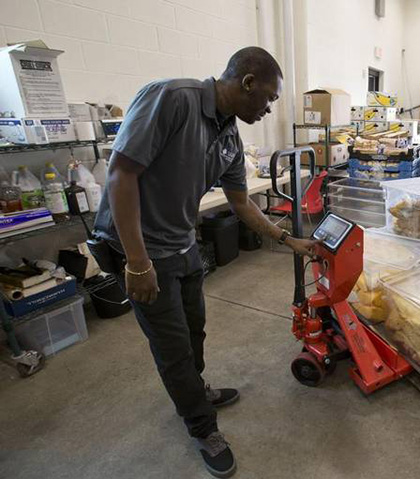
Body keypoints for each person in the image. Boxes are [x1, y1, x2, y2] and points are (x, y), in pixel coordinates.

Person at [92, 47, 315, 479]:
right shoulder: (172, 99)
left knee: (194, 331)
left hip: (181, 243)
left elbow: (240, 202)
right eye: (268, 99)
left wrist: (288, 239)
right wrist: (137, 262)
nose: (269, 109)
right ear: (248, 83)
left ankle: (194, 392)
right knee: (173, 347)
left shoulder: (229, 136)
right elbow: (121, 174)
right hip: (140, 248)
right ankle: (201, 427)